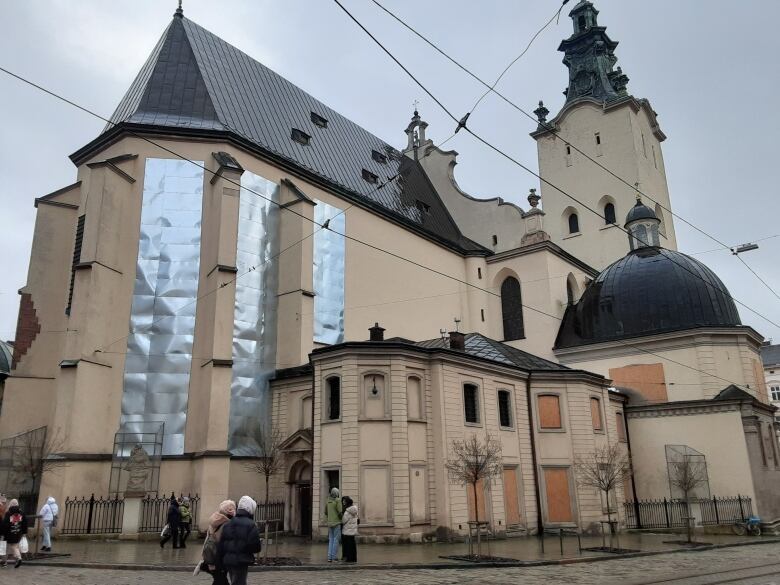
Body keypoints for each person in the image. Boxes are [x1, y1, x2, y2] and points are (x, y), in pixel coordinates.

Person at [218, 495, 261, 585]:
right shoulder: (251, 525)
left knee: (235, 581)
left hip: (228, 560)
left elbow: (221, 545)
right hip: (241, 560)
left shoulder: (228, 524)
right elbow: (255, 547)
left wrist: (220, 560)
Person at [196, 499, 235, 585]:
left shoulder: (214, 519)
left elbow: (208, 537)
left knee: (219, 579)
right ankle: (204, 566)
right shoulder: (227, 524)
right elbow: (225, 542)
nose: (233, 511)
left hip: (211, 554)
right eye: (232, 509)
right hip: (219, 556)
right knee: (221, 579)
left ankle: (204, 566)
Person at [1, 499, 28, 568]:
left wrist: (2, 533)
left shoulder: (9, 513)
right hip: (18, 532)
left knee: (6, 548)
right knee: (15, 546)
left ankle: (6, 562)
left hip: (9, 533)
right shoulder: (21, 513)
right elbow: (25, 523)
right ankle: (18, 558)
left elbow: (5, 524)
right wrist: (24, 532)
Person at [325, 487, 342, 562]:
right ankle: (334, 556)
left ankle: (329, 557)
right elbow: (340, 512)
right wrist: (342, 519)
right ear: (337, 493)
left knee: (331, 540)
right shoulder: (338, 500)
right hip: (337, 522)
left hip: (329, 522)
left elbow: (325, 512)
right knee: (336, 540)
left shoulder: (328, 500)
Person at [341, 496, 359, 564]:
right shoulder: (355, 510)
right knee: (353, 546)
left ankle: (349, 559)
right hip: (353, 531)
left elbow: (343, 521)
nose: (343, 503)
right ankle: (354, 558)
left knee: (348, 546)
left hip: (347, 531)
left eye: (345, 502)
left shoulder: (347, 512)